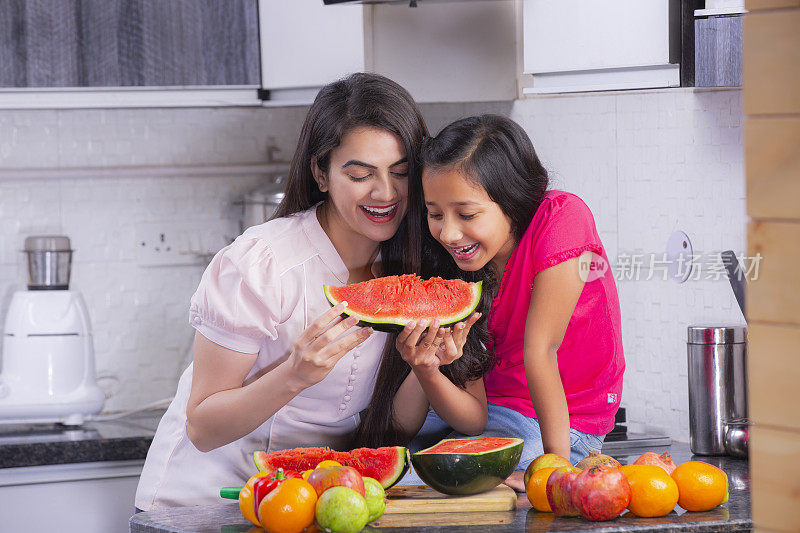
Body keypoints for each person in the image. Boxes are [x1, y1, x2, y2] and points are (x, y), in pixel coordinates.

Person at [136, 73, 437, 510]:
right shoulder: (259, 262)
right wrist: (294, 374)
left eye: (402, 173)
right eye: (360, 174)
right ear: (321, 172)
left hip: (310, 503)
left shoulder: (407, 270)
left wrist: (424, 364)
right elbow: (202, 426)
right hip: (203, 503)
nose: (386, 193)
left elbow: (397, 426)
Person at [414, 114, 625, 491]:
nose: (447, 232)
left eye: (466, 214)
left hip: (562, 425)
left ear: (510, 200)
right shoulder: (463, 266)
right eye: (435, 214)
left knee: (450, 487)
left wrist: (557, 475)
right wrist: (427, 371)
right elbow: (474, 417)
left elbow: (541, 349)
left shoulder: (563, 218)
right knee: (402, 467)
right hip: (492, 415)